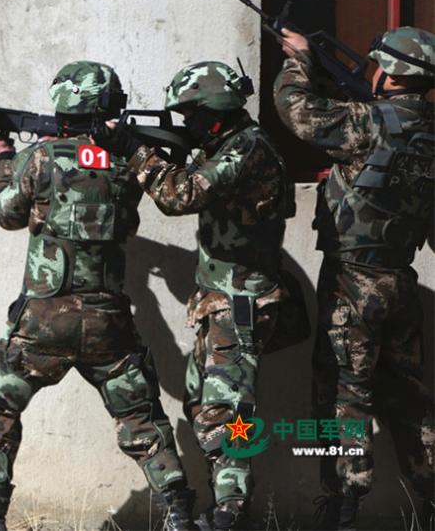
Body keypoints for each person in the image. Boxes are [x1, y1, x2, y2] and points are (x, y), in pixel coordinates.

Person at [0, 61, 196, 531]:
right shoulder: (129, 158)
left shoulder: (41, 158)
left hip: (43, 322)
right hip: (107, 320)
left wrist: (6, 157)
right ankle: (179, 513)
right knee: (141, 417)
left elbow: (7, 214)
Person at [100, 61, 295, 530]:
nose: (186, 124)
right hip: (219, 304)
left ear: (214, 113)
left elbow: (179, 196)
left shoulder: (245, 149)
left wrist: (135, 152)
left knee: (225, 415)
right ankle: (226, 507)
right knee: (202, 408)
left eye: (190, 115)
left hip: (241, 306)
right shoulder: (226, 144)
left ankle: (230, 514)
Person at [274, 26, 435, 530]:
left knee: (343, 396)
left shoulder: (367, 122)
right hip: (400, 281)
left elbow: (295, 111)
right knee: (409, 398)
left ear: (388, 73)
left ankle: (342, 507)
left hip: (353, 282)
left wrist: (299, 60)